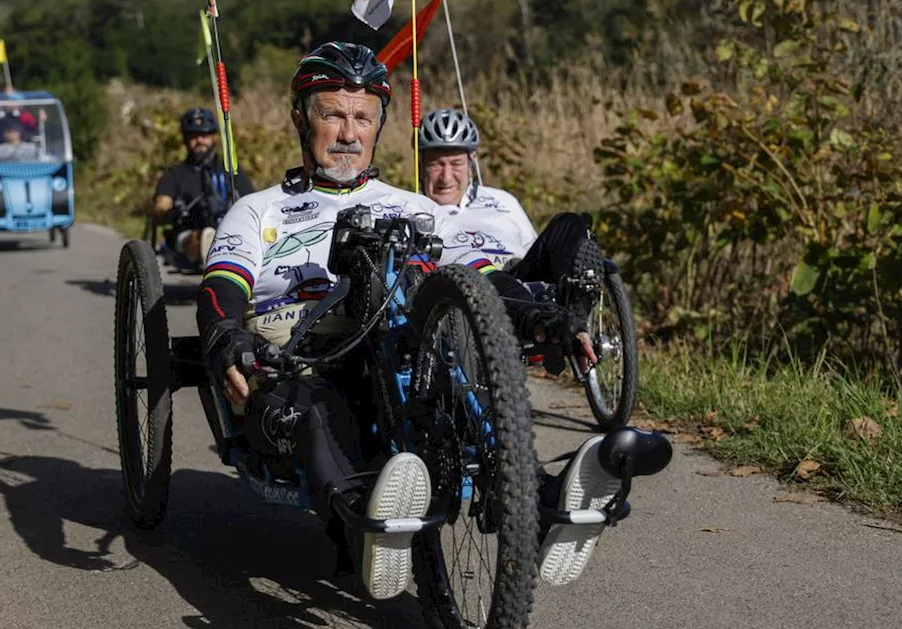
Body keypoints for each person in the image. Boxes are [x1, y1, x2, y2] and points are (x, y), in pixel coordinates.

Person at [197, 41, 626, 600]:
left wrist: (543, 316)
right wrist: (229, 336)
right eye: (333, 115)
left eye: (363, 118)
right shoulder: (259, 209)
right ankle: (365, 519)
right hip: (301, 353)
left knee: (455, 372)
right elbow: (222, 287)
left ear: (379, 127)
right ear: (301, 119)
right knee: (314, 408)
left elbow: (477, 275)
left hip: (404, 351)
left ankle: (544, 497)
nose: (349, 133)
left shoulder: (415, 208)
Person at [418, 106, 601, 374]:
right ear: (421, 162)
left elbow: (533, 249)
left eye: (455, 164)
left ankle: (574, 315)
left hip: (517, 273)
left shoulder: (502, 200)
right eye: (436, 164)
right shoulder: (415, 208)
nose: (446, 177)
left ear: (471, 160)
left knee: (571, 223)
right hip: (467, 285)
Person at [152, 107, 253, 266]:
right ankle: (210, 251)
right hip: (188, 234)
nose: (199, 140)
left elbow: (252, 202)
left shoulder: (230, 170)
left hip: (229, 230)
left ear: (214, 137)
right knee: (198, 238)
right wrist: (171, 213)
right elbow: (160, 208)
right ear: (185, 140)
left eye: (204, 135)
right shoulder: (174, 174)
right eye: (194, 136)